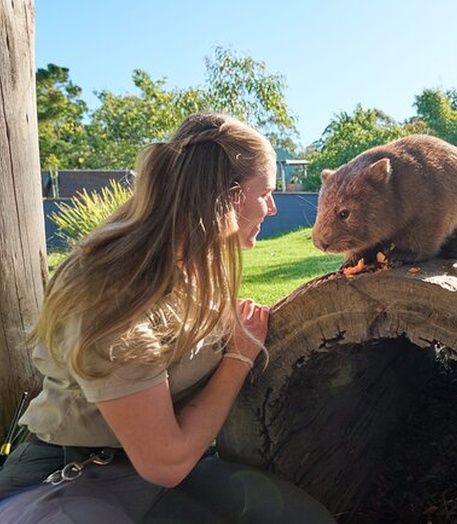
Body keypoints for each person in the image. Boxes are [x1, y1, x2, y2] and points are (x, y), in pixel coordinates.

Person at [0, 112, 336, 524]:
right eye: (265, 192)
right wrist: (238, 358)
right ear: (228, 197)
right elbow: (165, 463)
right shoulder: (112, 291)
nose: (270, 207)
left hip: (151, 473)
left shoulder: (198, 259)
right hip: (71, 476)